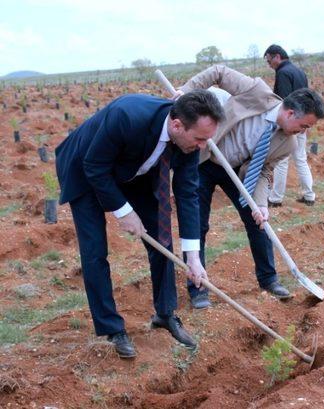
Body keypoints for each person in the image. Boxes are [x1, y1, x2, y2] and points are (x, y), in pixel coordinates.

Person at [55, 90, 225, 358]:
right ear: (177, 125)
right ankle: (112, 329)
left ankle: (166, 314)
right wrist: (123, 211)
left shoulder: (191, 140)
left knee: (161, 238)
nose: (204, 146)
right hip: (86, 168)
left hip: (135, 169)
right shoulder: (127, 115)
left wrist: (193, 256)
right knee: (95, 252)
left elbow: (188, 192)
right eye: (200, 139)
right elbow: (95, 167)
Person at [174, 65, 324, 308]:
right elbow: (219, 72)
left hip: (237, 172)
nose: (303, 132)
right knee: (197, 225)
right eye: (304, 126)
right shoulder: (256, 91)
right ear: (289, 114)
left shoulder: (289, 143)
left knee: (258, 223)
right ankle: (198, 289)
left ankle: (269, 279)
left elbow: (264, 170)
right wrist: (186, 90)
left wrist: (262, 205)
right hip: (204, 160)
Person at [263, 44, 316, 207]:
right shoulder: (299, 71)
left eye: (269, 60)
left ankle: (276, 198)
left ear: (277, 56)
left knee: (281, 161)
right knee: (301, 158)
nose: (269, 64)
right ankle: (309, 195)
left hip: (291, 123)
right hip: (302, 121)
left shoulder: (283, 73)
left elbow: (283, 100)